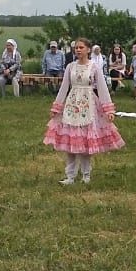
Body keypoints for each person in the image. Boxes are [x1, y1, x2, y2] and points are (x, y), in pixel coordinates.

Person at [43, 38, 124, 184]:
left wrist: (108, 109)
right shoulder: (70, 67)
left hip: (88, 104)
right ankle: (70, 176)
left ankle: (86, 176)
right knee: (70, 143)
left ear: (88, 49)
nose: (78, 50)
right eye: (76, 48)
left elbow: (102, 88)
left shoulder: (94, 67)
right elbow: (64, 88)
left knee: (85, 143)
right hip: (72, 105)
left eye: (81, 47)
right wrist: (57, 107)